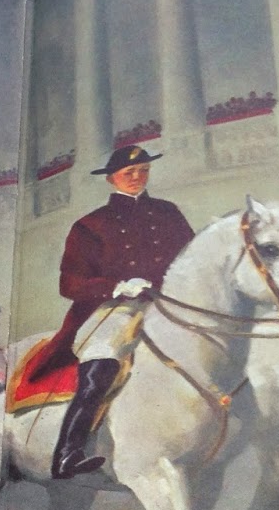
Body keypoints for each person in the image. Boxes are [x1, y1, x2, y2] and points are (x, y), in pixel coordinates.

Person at [27, 143, 194, 479]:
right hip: (116, 308)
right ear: (111, 178)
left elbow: (190, 258)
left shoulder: (169, 213)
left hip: (167, 304)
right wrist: (117, 286)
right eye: (128, 172)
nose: (136, 177)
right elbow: (69, 284)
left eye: (143, 171)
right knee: (101, 362)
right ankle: (68, 453)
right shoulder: (90, 225)